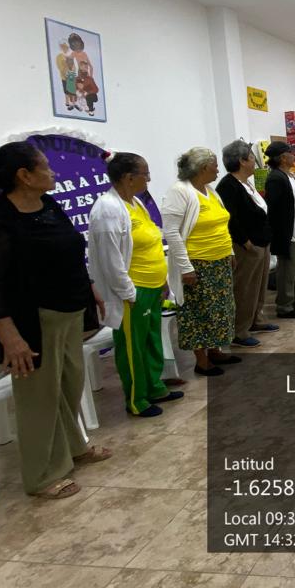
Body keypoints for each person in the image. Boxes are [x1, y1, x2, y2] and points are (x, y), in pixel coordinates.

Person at [0, 142, 112, 499]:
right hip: (32, 322)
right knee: (38, 398)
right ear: (24, 176)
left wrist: (89, 286)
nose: (53, 172)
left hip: (69, 312)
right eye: (45, 167)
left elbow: (70, 251)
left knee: (69, 386)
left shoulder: (49, 205)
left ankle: (75, 446)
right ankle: (42, 475)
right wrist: (9, 337)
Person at [87, 152, 183, 417]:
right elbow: (110, 260)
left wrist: (162, 281)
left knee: (151, 340)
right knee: (133, 347)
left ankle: (154, 387)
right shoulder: (108, 210)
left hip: (152, 286)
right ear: (129, 178)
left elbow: (150, 243)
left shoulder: (135, 202)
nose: (149, 179)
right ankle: (136, 399)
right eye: (145, 174)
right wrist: (128, 293)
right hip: (132, 291)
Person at [161, 147, 238, 377]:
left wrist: (230, 252)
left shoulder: (210, 191)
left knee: (220, 310)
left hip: (219, 261)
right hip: (198, 264)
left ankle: (215, 350)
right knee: (199, 311)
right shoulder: (179, 192)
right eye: (215, 166)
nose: (218, 170)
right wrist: (186, 267)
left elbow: (222, 224)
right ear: (203, 168)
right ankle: (201, 361)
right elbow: (172, 232)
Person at [216, 139, 280, 347]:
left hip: (262, 241)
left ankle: (255, 319)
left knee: (259, 286)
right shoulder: (228, 185)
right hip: (247, 245)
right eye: (252, 158)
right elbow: (231, 219)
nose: (255, 161)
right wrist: (246, 242)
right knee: (245, 288)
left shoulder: (246, 183)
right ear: (242, 161)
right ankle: (240, 330)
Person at [264, 142, 295, 318]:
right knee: (287, 269)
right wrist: (280, 232)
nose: (294, 156)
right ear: (283, 158)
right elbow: (275, 208)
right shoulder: (275, 178)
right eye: (290, 153)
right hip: (287, 232)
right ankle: (284, 305)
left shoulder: (288, 175)